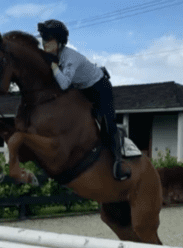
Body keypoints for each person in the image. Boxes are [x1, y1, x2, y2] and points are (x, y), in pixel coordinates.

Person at [38, 19, 131, 181]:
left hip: (99, 88)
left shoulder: (70, 57)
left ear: (59, 42)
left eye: (49, 39)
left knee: (107, 122)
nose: (45, 43)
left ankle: (118, 162)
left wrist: (53, 67)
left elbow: (64, 84)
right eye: (43, 39)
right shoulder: (53, 56)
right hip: (81, 88)